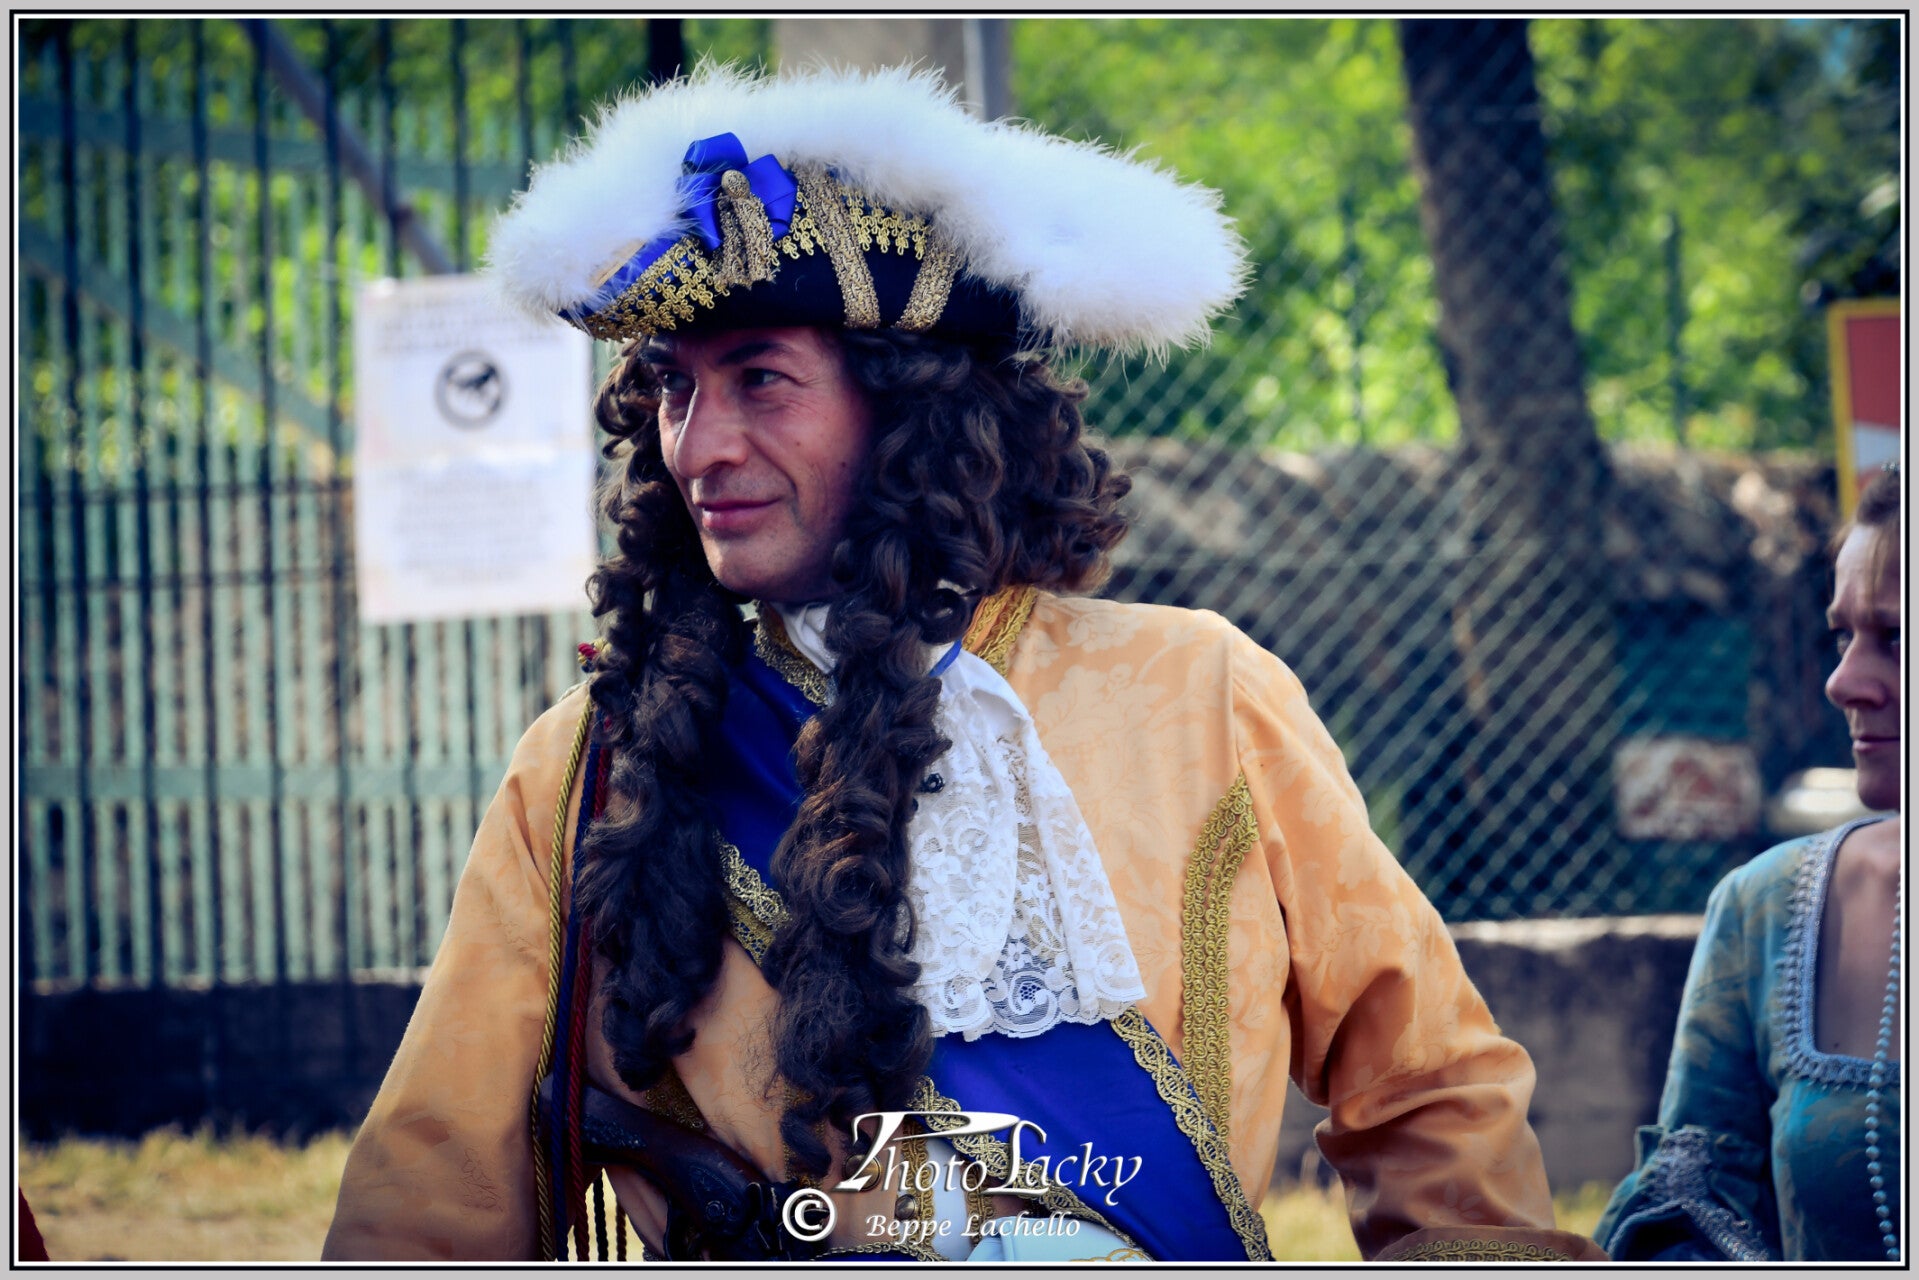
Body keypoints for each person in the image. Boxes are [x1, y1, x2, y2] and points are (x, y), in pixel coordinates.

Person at [323, 64, 1602, 1263]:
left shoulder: (1200, 693)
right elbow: (435, 1187)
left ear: (908, 410)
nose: (698, 445)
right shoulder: (584, 766)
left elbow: (1429, 1085)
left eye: (761, 379)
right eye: (672, 387)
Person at [1596, 462, 1903, 1262]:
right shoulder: (1768, 910)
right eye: (1841, 636)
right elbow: (1685, 1215)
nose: (1843, 681)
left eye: (1896, 639)